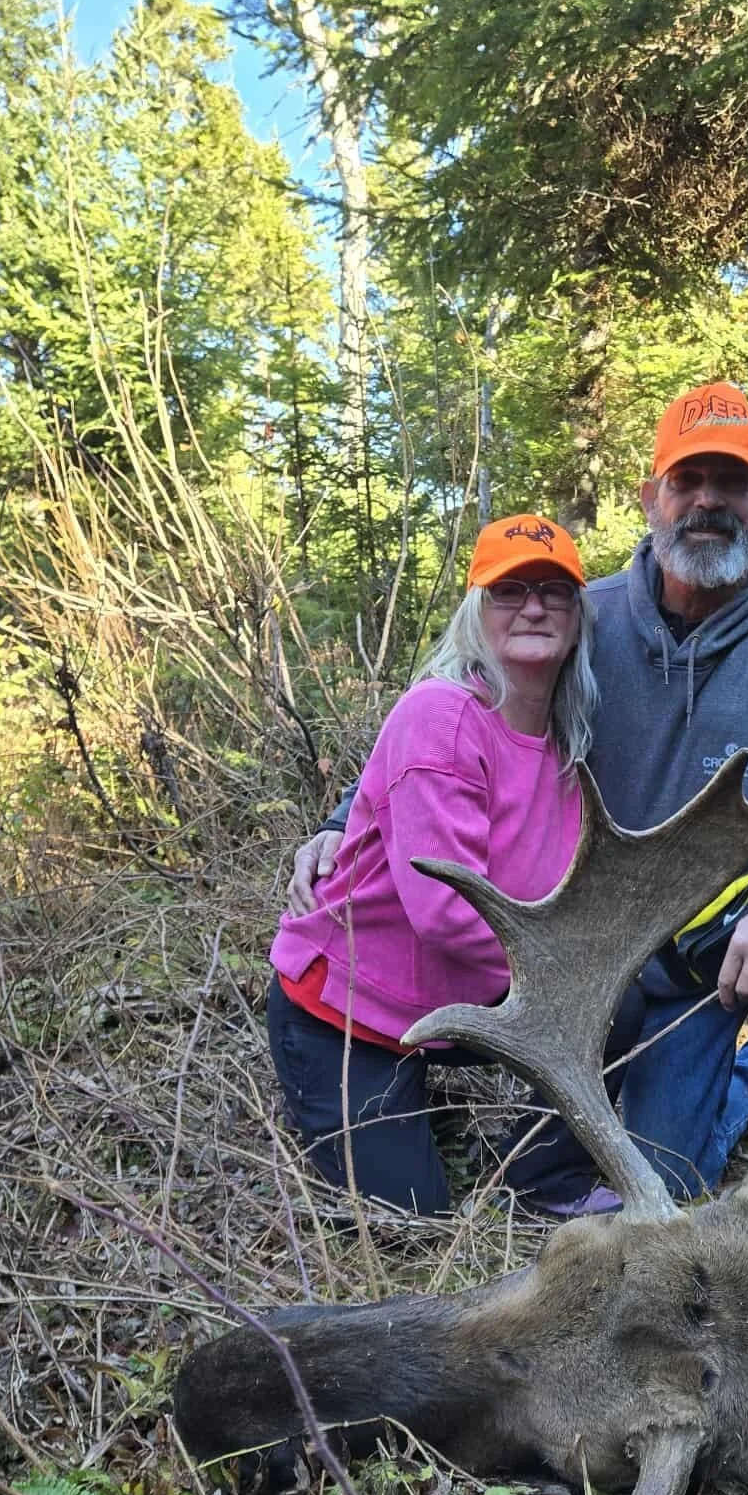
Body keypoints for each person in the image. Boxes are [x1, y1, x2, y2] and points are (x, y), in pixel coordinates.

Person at [290, 383, 748, 1198]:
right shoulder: (573, 618)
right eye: (687, 480)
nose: (708, 502)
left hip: (746, 943)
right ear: (651, 498)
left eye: (732, 483)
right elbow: (451, 715)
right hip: (628, 971)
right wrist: (346, 819)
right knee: (664, 1181)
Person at [267, 512, 634, 1217]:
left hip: (455, 1006)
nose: (534, 606)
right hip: (347, 1011)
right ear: (476, 610)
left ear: (580, 617)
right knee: (407, 1225)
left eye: (555, 592)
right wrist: (569, 968)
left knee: (627, 993)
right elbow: (444, 908)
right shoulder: (442, 715)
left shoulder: (569, 736)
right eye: (509, 590)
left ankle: (540, 1179)